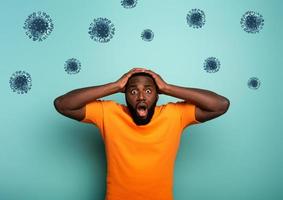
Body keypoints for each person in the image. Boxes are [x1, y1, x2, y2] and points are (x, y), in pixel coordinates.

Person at [54, 67, 230, 200]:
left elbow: (220, 104)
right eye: (132, 91)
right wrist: (115, 86)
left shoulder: (175, 115)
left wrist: (167, 87)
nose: (140, 97)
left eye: (148, 90)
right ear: (125, 95)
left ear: (157, 95)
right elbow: (63, 104)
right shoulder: (107, 113)